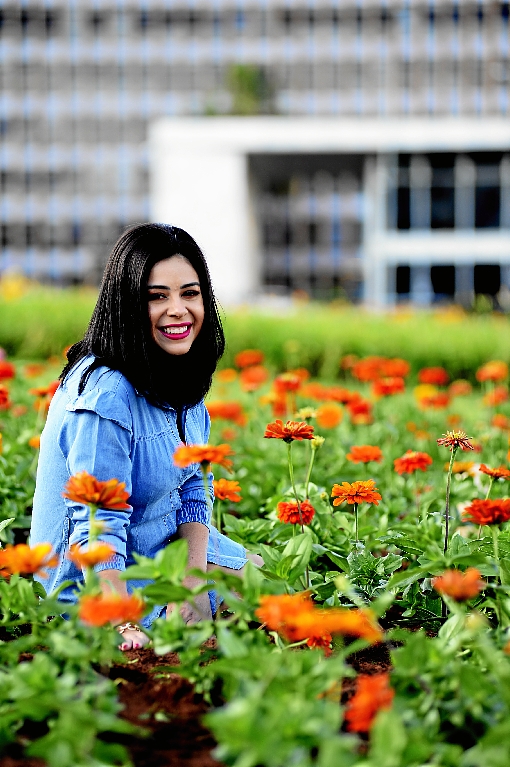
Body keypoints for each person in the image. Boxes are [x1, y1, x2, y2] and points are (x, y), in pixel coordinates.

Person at [30, 223, 261, 651]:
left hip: (158, 549)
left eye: (190, 294)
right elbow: (96, 525)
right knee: (200, 641)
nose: (178, 310)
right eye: (158, 297)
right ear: (127, 304)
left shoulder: (180, 374)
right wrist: (122, 622)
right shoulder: (106, 395)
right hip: (94, 579)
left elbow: (195, 486)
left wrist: (191, 583)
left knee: (269, 586)